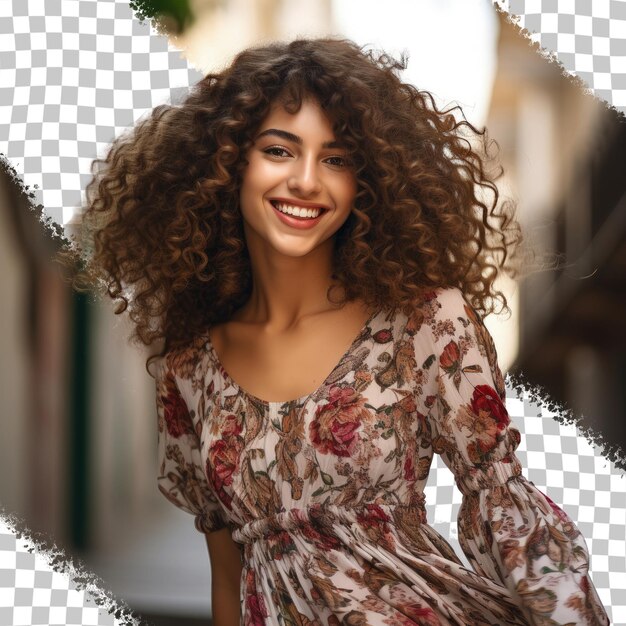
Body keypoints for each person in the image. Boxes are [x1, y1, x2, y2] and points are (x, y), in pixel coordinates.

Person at [68, 38, 609, 625]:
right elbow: (229, 580)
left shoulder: (425, 323)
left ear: (366, 182)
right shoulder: (190, 370)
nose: (306, 181)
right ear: (227, 164)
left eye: (336, 159)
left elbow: (507, 511)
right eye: (279, 150)